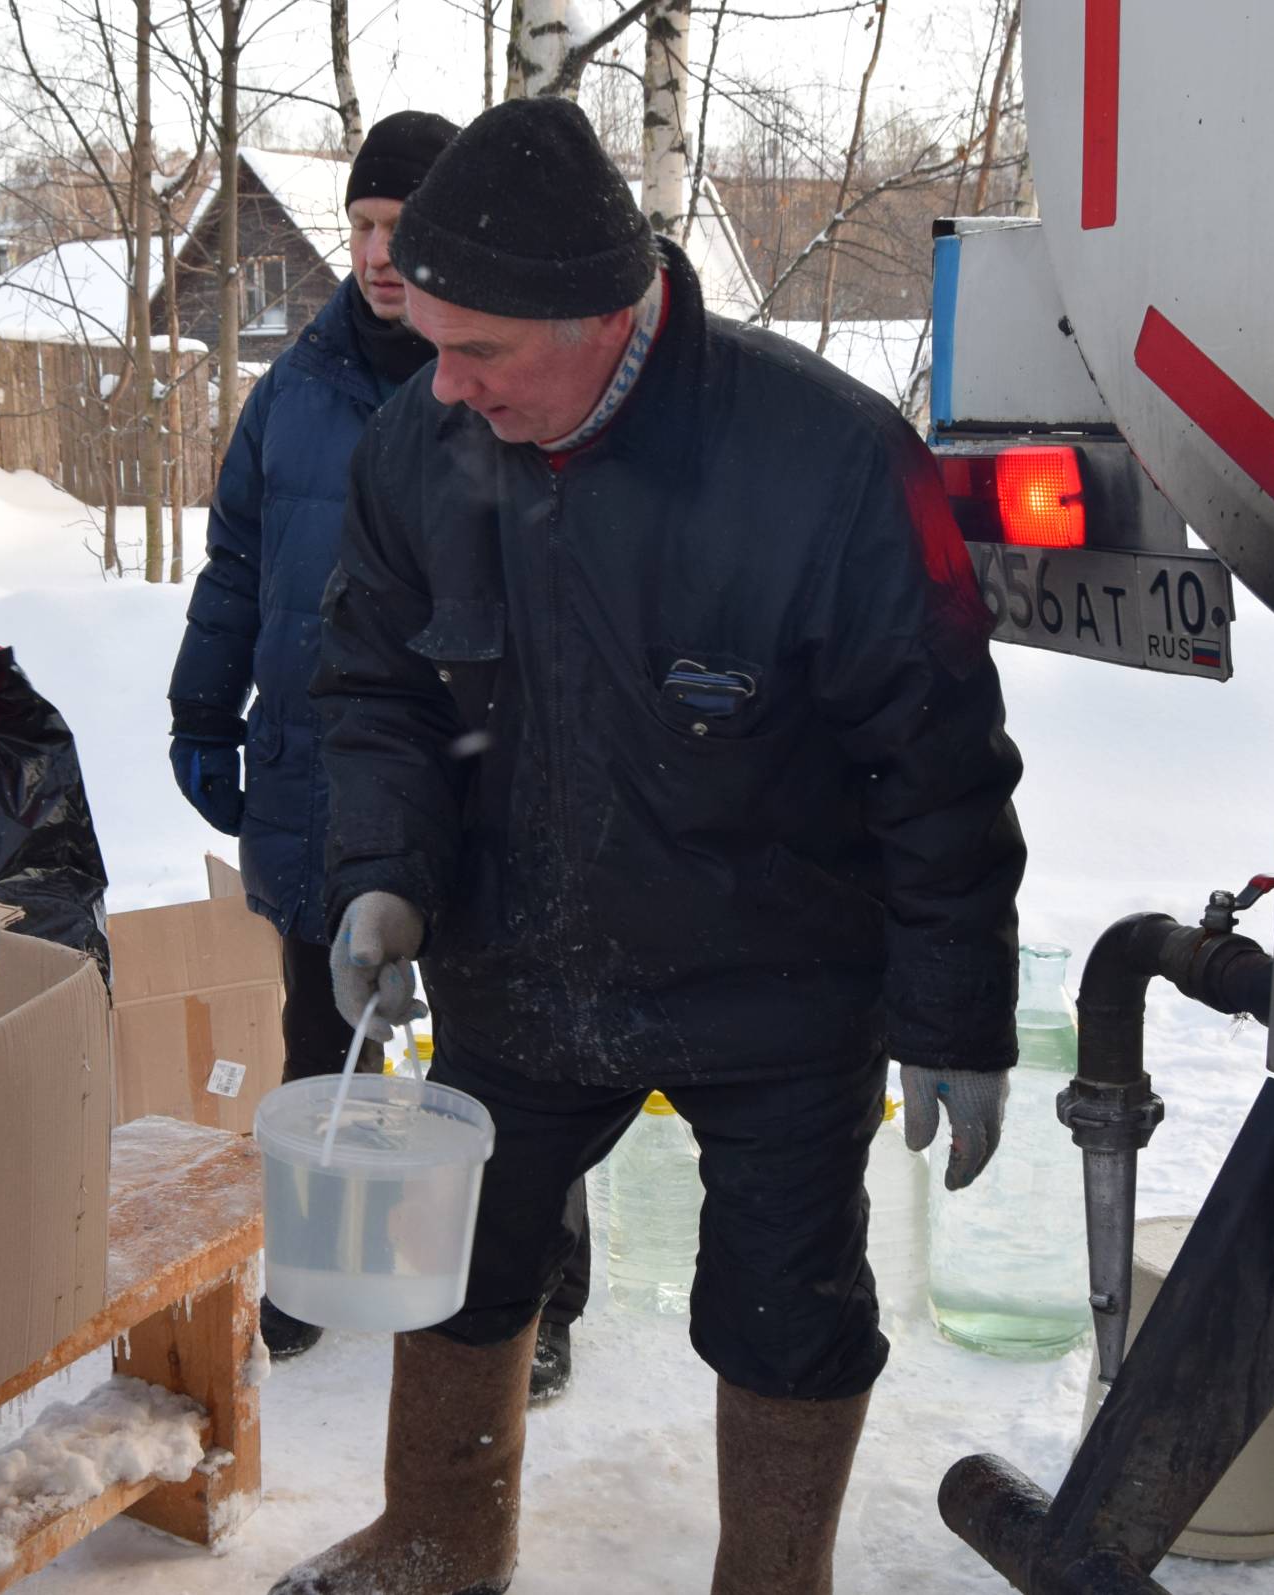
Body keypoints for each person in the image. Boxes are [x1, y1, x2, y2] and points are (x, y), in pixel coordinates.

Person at [286, 100, 1027, 1595]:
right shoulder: (420, 445)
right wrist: (382, 870)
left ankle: (774, 1573)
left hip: (782, 976)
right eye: (430, 341)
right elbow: (376, 686)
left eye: (480, 349)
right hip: (523, 954)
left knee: (787, 1301)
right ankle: (436, 1537)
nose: (447, 382)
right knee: (468, 1262)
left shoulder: (824, 462)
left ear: (601, 314)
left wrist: (955, 1013)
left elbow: (936, 761)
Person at [168, 111, 593, 1391]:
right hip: (315, 758)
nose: (376, 253)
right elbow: (236, 564)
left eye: (401, 229)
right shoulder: (290, 391)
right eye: (360, 227)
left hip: (482, 769)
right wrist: (203, 708)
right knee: (320, 1027)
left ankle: (538, 1288)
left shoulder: (505, 381)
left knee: (510, 1046)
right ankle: (322, 1255)